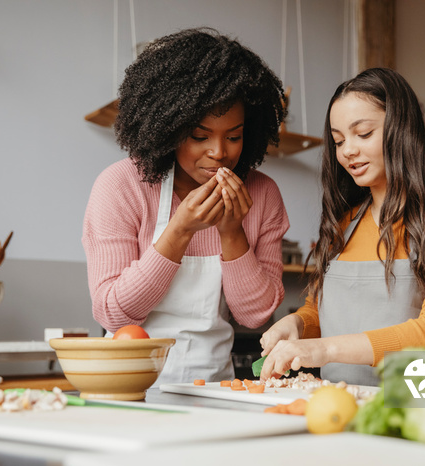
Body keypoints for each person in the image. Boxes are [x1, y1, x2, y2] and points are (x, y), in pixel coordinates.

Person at [259, 68, 425, 386]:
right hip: (338, 404)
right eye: (338, 140)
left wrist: (325, 348)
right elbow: (323, 314)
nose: (347, 151)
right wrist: (298, 325)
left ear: (402, 129)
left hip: (416, 407)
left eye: (364, 134)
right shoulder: (345, 223)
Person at [82, 28, 289, 385]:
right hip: (128, 387)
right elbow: (114, 313)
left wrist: (232, 231)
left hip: (214, 388)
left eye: (234, 136)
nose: (219, 152)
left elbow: (255, 316)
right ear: (169, 127)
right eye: (199, 136)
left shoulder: (262, 194)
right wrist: (179, 229)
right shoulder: (121, 186)